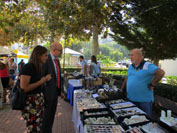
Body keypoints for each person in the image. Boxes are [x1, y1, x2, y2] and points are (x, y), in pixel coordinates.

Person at [121, 48, 165, 118]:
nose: (130, 57)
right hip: (130, 99)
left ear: (139, 56)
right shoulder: (131, 66)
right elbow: (127, 78)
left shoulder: (147, 65)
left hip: (143, 102)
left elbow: (161, 73)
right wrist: (122, 89)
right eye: (130, 55)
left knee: (145, 122)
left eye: (132, 55)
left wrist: (152, 84)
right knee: (130, 121)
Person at [20, 45, 51, 133]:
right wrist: (42, 81)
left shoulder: (38, 67)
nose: (47, 58)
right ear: (38, 55)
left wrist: (44, 81)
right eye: (45, 55)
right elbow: (24, 88)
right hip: (30, 103)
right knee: (33, 128)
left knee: (37, 127)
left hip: (37, 102)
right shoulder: (28, 67)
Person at [42, 42, 65, 133]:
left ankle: (49, 130)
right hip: (47, 93)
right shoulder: (46, 60)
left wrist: (61, 91)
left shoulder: (57, 60)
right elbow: (42, 77)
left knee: (52, 115)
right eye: (60, 50)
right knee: (46, 116)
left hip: (55, 93)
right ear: (53, 50)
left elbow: (58, 77)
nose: (61, 52)